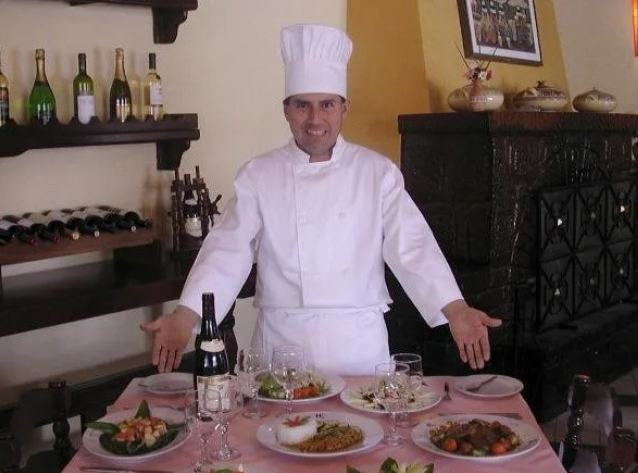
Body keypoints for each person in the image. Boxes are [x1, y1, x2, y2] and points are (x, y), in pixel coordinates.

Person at [141, 24, 501, 376]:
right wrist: (185, 316)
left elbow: (414, 246)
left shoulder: (377, 173)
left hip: (357, 349)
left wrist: (455, 309)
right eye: (303, 105)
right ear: (286, 109)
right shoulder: (258, 175)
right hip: (281, 349)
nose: (315, 119)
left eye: (327, 104)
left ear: (344, 108)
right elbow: (227, 250)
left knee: (363, 417)